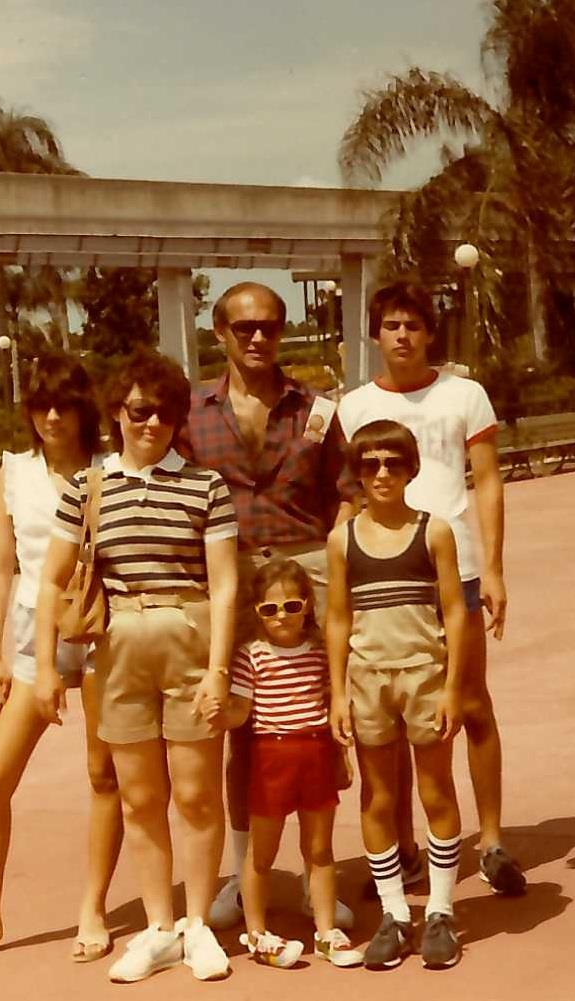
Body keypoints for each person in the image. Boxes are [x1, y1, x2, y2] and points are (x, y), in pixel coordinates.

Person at [32, 348, 239, 985]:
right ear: (118, 412)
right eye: (141, 412)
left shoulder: (206, 487)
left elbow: (226, 584)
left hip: (188, 636)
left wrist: (218, 671)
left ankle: (196, 922)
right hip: (117, 647)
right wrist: (46, 668)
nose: (153, 425)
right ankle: (157, 927)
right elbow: (52, 580)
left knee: (199, 794)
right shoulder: (87, 488)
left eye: (167, 414)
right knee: (141, 800)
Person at [0, 352, 123, 968]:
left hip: (103, 643)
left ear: (84, 409)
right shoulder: (15, 471)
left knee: (102, 776)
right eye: (40, 405)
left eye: (62, 405)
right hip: (36, 648)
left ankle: (93, 906)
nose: (51, 417)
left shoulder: (112, 471)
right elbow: (0, 567)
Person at [175, 280, 355, 932]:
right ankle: (245, 867)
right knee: (243, 726)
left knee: (320, 718)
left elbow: (344, 496)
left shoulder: (317, 409)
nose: (257, 337)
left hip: (306, 573)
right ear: (219, 333)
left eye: (269, 326)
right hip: (229, 578)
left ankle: (316, 875)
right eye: (243, 327)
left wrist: (340, 571)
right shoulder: (190, 412)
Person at [336, 282, 527, 897]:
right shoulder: (354, 406)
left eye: (413, 325)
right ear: (375, 334)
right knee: (388, 715)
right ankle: (404, 851)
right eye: (391, 325)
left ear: (430, 333)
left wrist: (493, 567)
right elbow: (346, 497)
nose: (402, 336)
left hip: (457, 567)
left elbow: (488, 481)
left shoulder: (463, 394)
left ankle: (492, 840)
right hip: (383, 576)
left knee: (469, 703)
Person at [327, 420, 467, 969]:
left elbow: (454, 610)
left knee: (435, 790)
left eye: (392, 462)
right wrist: (338, 692)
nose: (381, 473)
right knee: (377, 797)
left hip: (424, 675)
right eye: (369, 464)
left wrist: (453, 685)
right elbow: (338, 616)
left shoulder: (433, 532)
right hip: (368, 679)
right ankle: (393, 912)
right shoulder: (343, 539)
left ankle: (440, 910)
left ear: (410, 468)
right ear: (357, 474)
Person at [215, 557, 365, 970]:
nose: (282, 616)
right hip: (271, 757)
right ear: (257, 613)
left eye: (292, 606)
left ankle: (326, 932)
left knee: (319, 849)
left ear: (308, 606)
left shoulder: (320, 652)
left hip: (315, 751)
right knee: (261, 853)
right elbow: (240, 713)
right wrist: (215, 709)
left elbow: (331, 706)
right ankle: (257, 933)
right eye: (270, 608)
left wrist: (341, 755)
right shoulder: (251, 656)